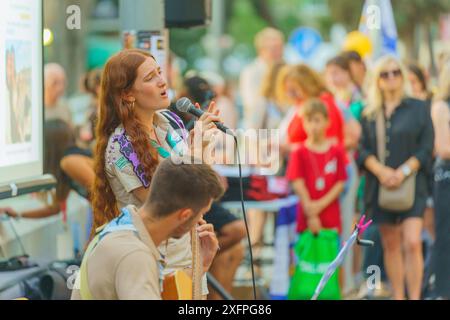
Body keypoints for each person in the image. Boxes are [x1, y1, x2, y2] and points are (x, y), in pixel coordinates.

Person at [91, 49, 221, 298]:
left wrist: (202, 147)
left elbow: (198, 194)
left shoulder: (170, 122)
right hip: (153, 263)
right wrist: (195, 151)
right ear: (127, 94)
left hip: (189, 253)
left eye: (159, 72)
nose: (162, 81)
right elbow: (166, 206)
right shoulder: (122, 145)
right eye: (150, 78)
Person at [71, 158, 224, 300]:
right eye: (202, 213)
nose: (201, 220)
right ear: (185, 215)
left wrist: (200, 266)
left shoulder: (122, 227)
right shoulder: (135, 254)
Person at [358, 55, 434, 300]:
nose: (391, 78)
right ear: (377, 80)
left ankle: (414, 296)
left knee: (412, 242)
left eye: (396, 73)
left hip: (413, 184)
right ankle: (398, 295)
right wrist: (382, 172)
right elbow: (361, 149)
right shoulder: (369, 113)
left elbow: (426, 146)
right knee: (390, 245)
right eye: (385, 74)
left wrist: (402, 172)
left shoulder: (418, 107)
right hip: (379, 187)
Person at [0, 119, 94, 219]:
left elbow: (103, 192)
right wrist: (17, 214)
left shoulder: (69, 161)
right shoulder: (66, 165)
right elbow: (54, 209)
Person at [286, 98, 347, 236]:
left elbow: (340, 183)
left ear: (327, 122)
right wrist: (312, 213)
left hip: (330, 217)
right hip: (307, 218)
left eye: (317, 120)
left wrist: (319, 205)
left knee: (331, 256)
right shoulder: (299, 152)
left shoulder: (336, 151)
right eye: (308, 120)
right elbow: (298, 183)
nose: (313, 125)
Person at [239, 27, 284, 130]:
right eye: (274, 48)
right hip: (259, 132)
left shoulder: (284, 71)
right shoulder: (251, 72)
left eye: (280, 47)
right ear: (261, 50)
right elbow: (252, 104)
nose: (278, 52)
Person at [431, 62, 450, 300]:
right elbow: (444, 148)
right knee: (445, 235)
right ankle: (443, 290)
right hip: (446, 178)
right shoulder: (441, 107)